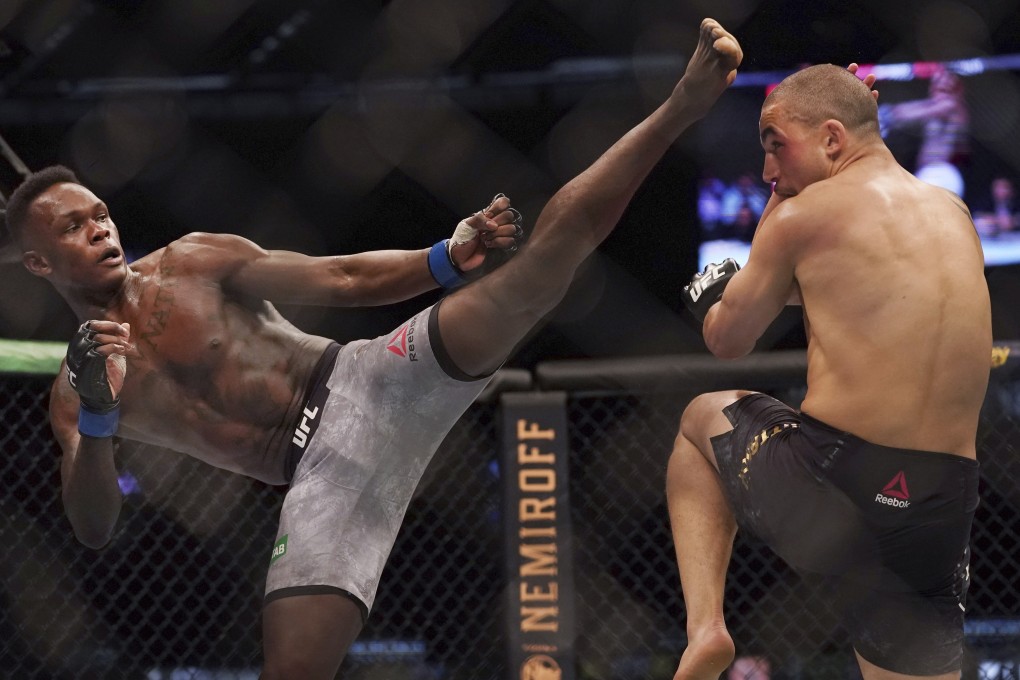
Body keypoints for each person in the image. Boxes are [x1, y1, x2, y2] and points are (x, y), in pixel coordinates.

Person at [5, 18, 743, 679]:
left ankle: (681, 102)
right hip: (318, 479)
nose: (100, 229)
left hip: (371, 380)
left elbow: (340, 276)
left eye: (99, 213)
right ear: (36, 264)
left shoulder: (192, 260)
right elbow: (94, 527)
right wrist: (100, 418)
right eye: (72, 229)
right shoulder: (76, 389)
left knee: (541, 268)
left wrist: (445, 259)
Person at [669, 63, 991, 680]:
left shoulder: (800, 216)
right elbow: (840, 290)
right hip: (941, 504)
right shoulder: (955, 214)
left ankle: (706, 629)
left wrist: (714, 292)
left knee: (699, 418)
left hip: (837, 475)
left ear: (833, 139)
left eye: (775, 147)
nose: (768, 171)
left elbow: (728, 339)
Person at [878, 65, 969, 196]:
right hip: (928, 172)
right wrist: (892, 112)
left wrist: (892, 113)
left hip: (942, 173)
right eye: (936, 86)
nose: (938, 91)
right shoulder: (934, 106)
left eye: (943, 88)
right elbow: (921, 107)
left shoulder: (952, 105)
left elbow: (922, 111)